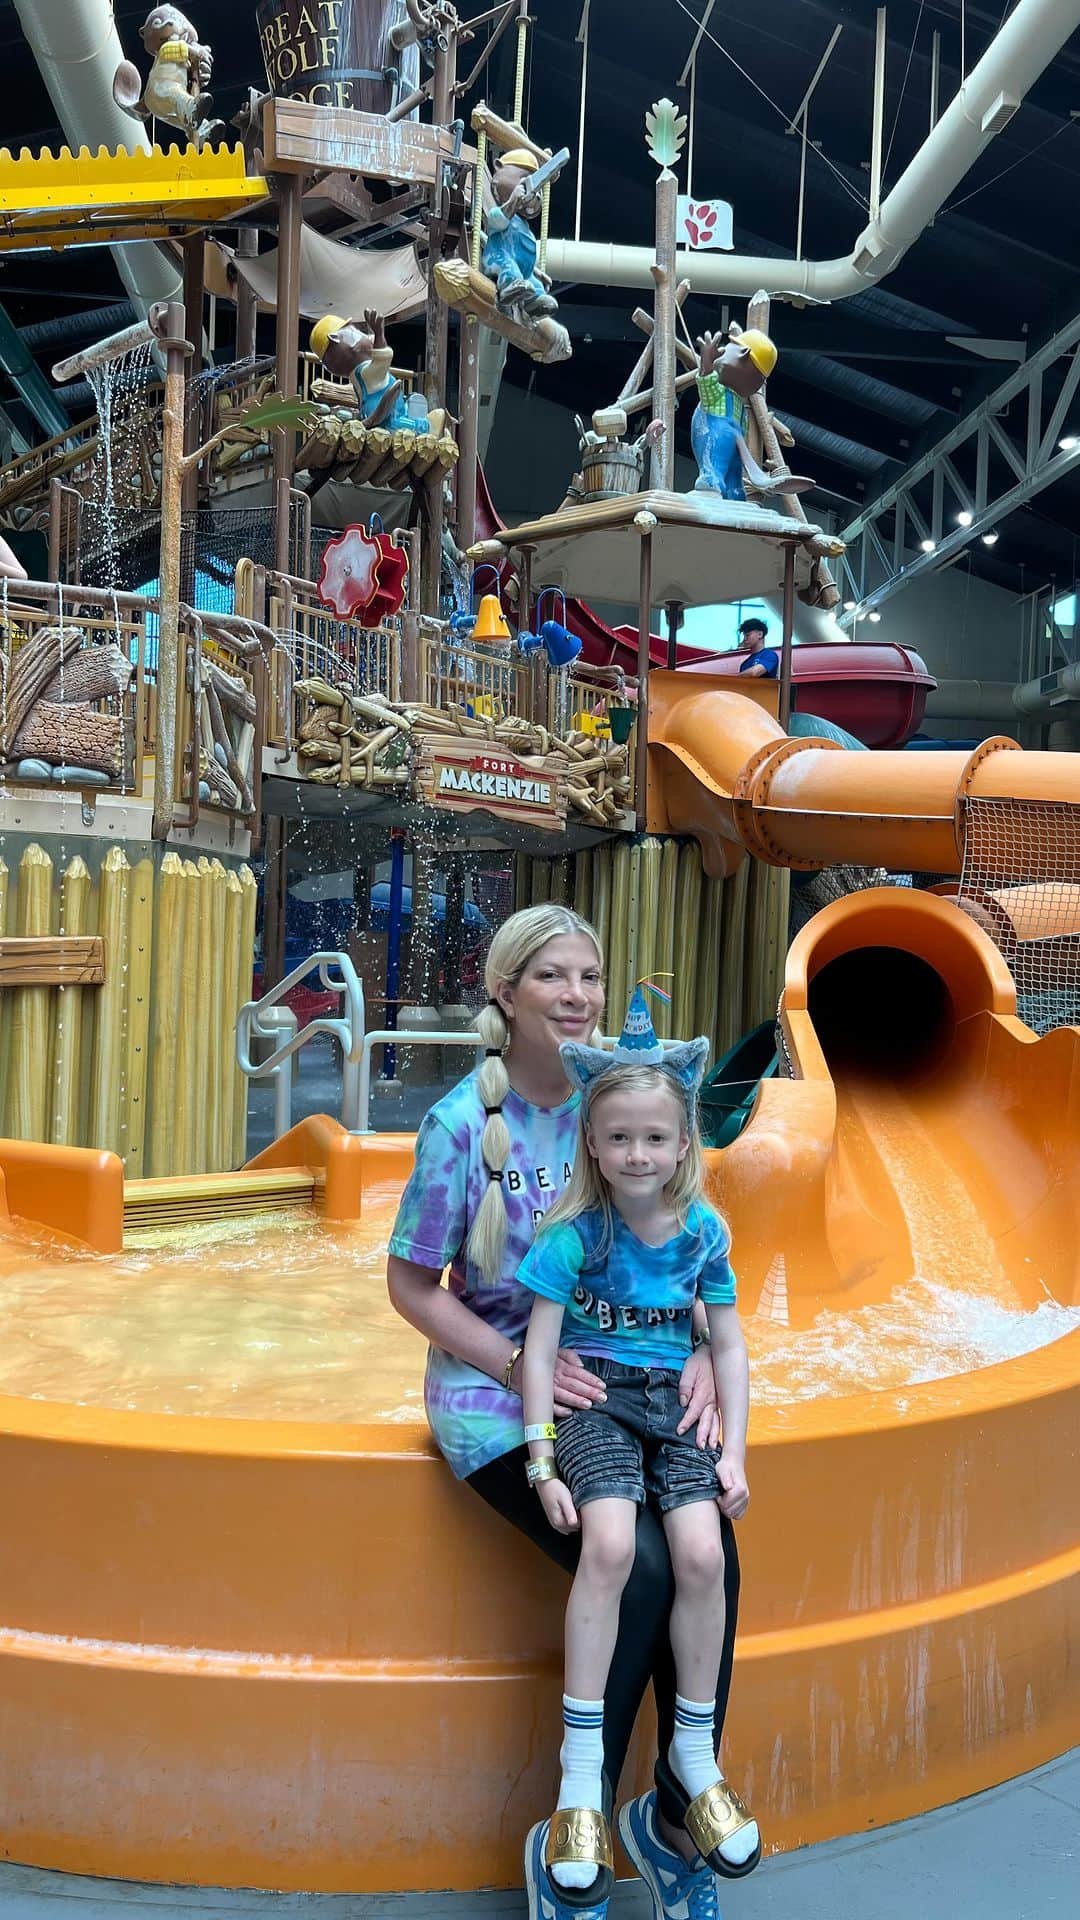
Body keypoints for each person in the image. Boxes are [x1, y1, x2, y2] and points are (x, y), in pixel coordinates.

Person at [386, 906, 742, 1920]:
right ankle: (571, 1829)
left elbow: (694, 1264)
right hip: (504, 1398)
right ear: (505, 992)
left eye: (589, 975)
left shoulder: (624, 1107)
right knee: (631, 1576)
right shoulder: (464, 1125)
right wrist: (512, 1366)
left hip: (631, 1383)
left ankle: (672, 1825)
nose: (578, 994)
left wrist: (710, 1368)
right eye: (552, 976)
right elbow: (413, 1287)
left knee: (713, 1555)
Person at [519, 989, 759, 1904]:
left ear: (684, 1143)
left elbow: (728, 1344)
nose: (637, 1155)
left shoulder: (703, 1233)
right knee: (613, 1545)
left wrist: (734, 1451)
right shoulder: (575, 1235)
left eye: (655, 1139)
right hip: (601, 1408)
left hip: (674, 1402)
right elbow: (540, 1348)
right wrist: (542, 1459)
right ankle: (583, 1782)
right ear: (591, 1140)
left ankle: (693, 1758)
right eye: (618, 1138)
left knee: (703, 1553)